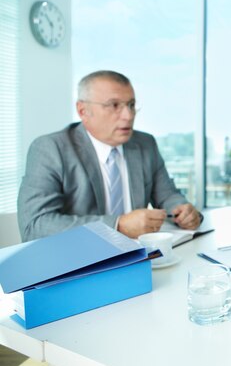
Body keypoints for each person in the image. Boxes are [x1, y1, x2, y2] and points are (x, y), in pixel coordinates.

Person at [18, 70, 202, 241]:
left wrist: (182, 210)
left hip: (140, 255)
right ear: (83, 111)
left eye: (131, 105)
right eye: (114, 105)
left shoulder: (145, 144)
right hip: (78, 261)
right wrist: (118, 225)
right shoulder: (50, 149)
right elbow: (35, 226)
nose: (128, 116)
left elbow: (167, 195)